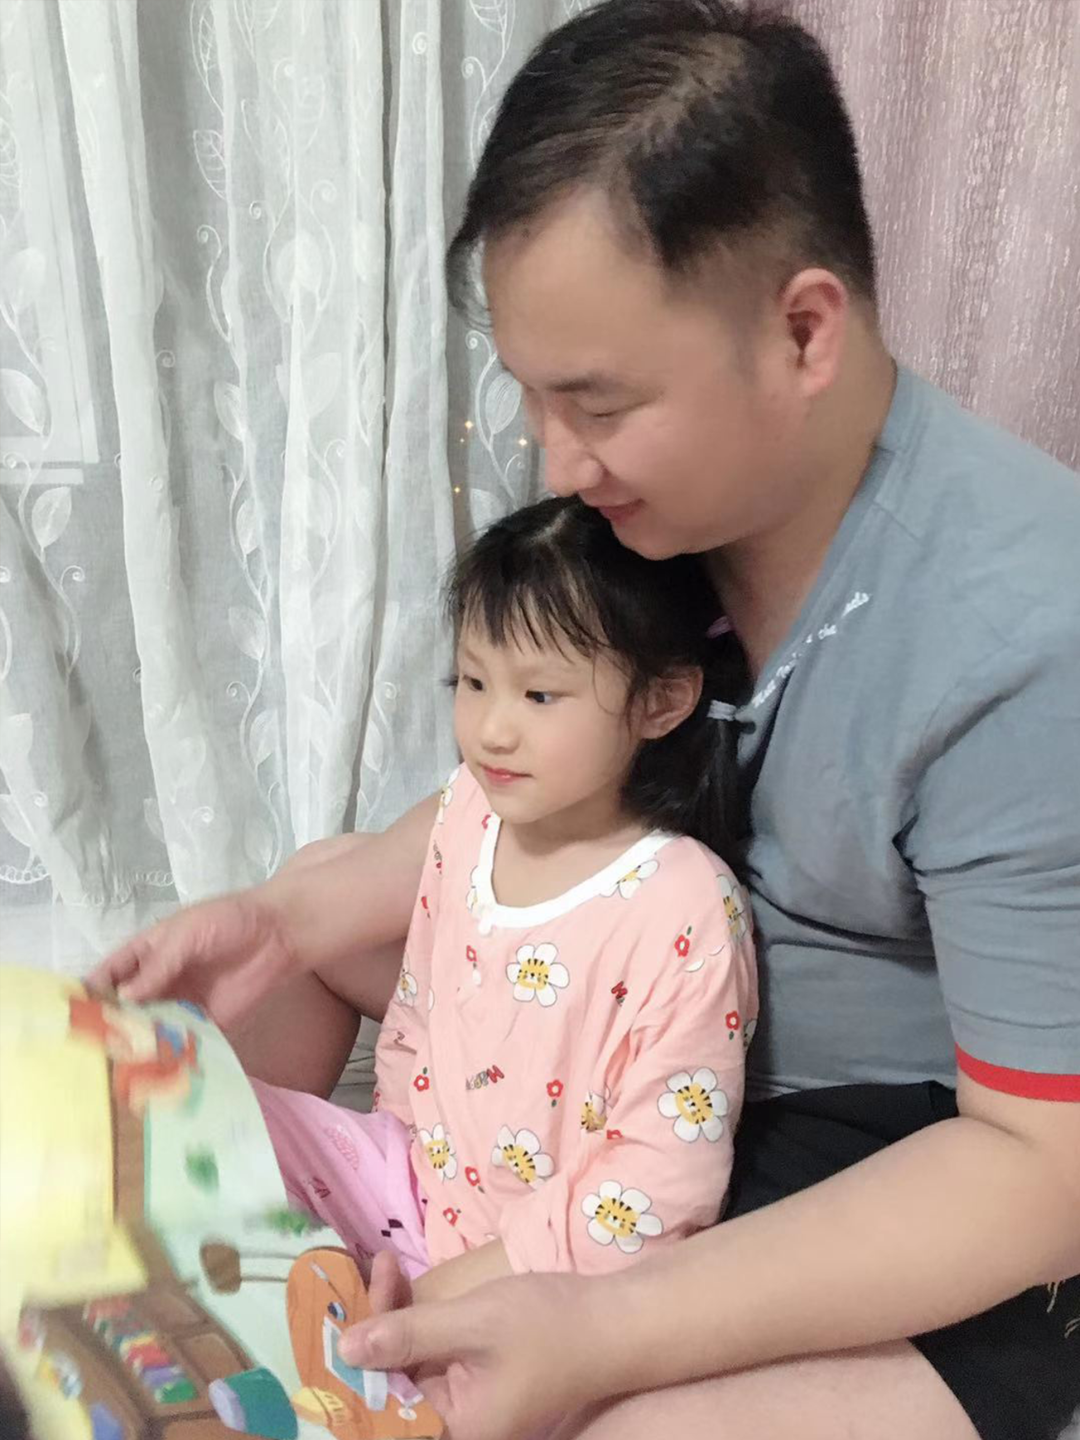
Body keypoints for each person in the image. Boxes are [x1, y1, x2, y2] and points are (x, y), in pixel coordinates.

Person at [92, 3, 1080, 1439]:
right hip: (636, 1030)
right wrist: (282, 923)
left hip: (893, 1151)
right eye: (532, 401)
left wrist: (604, 1327)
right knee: (303, 910)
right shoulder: (659, 514)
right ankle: (196, 1286)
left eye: (598, 404)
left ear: (804, 331)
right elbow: (525, 792)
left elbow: (1043, 1170)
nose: (559, 465)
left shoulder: (1023, 634)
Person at [249, 495, 756, 1298]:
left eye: (539, 696)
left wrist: (431, 1299)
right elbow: (416, 1030)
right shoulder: (470, 812)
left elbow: (656, 1193)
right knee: (201, 1125)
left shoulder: (686, 905)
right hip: (405, 1194)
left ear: (660, 702)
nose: (490, 729)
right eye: (474, 682)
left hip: (538, 1279)